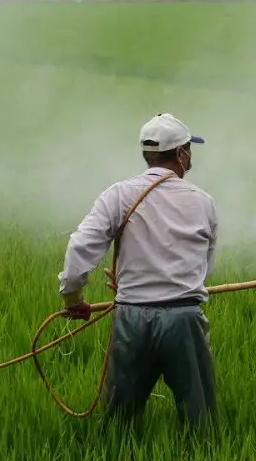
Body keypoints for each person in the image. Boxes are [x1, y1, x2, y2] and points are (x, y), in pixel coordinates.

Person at [56, 112, 219, 433]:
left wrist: (73, 298)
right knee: (199, 419)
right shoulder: (203, 203)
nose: (191, 156)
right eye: (189, 149)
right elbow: (204, 268)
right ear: (181, 154)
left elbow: (80, 247)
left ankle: (118, 457)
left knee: (120, 421)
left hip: (132, 318)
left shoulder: (118, 194)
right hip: (184, 318)